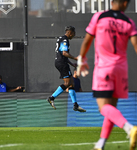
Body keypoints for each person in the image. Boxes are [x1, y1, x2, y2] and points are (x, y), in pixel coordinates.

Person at [77, 0, 137, 149]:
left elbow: (87, 40)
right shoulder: (129, 23)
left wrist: (81, 58)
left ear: (112, 2)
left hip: (104, 68)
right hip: (121, 69)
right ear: (124, 3)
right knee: (112, 108)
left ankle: (130, 128)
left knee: (103, 108)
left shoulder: (99, 17)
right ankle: (101, 144)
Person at [47, 26, 86, 112]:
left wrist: (72, 64)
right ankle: (51, 98)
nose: (73, 36)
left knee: (71, 83)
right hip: (62, 63)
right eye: (73, 34)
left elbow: (62, 54)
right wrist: (75, 58)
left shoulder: (61, 38)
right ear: (69, 33)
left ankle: (75, 105)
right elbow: (64, 53)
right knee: (68, 83)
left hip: (61, 62)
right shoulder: (65, 40)